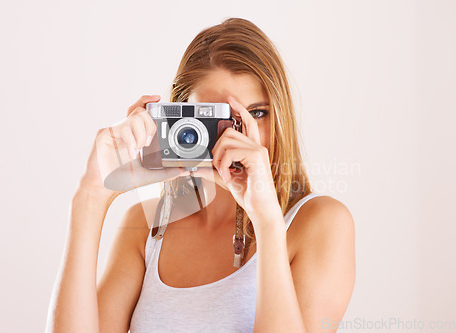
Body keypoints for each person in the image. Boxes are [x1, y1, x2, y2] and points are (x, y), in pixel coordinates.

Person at [46, 17, 355, 333]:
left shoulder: (320, 222)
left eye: (257, 114)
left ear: (279, 117)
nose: (238, 135)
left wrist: (267, 221)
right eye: (215, 118)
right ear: (180, 120)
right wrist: (92, 195)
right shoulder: (148, 228)